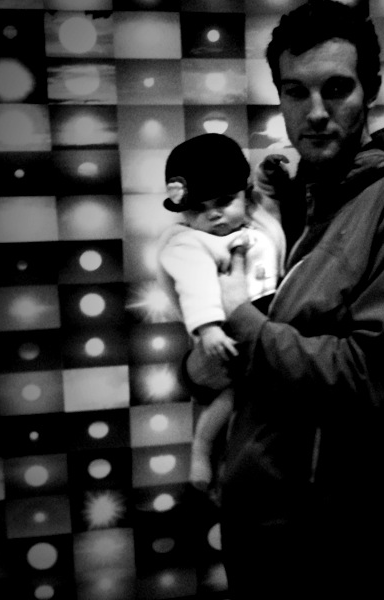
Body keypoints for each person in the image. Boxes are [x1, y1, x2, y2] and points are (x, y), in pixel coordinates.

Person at [183, 1, 384, 598]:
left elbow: (369, 378)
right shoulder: (295, 203)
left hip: (331, 548)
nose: (314, 112)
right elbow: (247, 351)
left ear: (370, 91)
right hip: (253, 529)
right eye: (295, 91)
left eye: (336, 88)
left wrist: (240, 323)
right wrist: (207, 352)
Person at [156, 133, 286, 492]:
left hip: (264, 326)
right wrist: (209, 327)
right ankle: (201, 447)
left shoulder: (252, 224)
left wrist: (269, 180)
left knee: (251, 401)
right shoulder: (190, 241)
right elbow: (194, 282)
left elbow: (270, 213)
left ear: (245, 195)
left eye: (225, 201)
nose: (213, 214)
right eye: (198, 208)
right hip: (223, 330)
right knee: (230, 398)